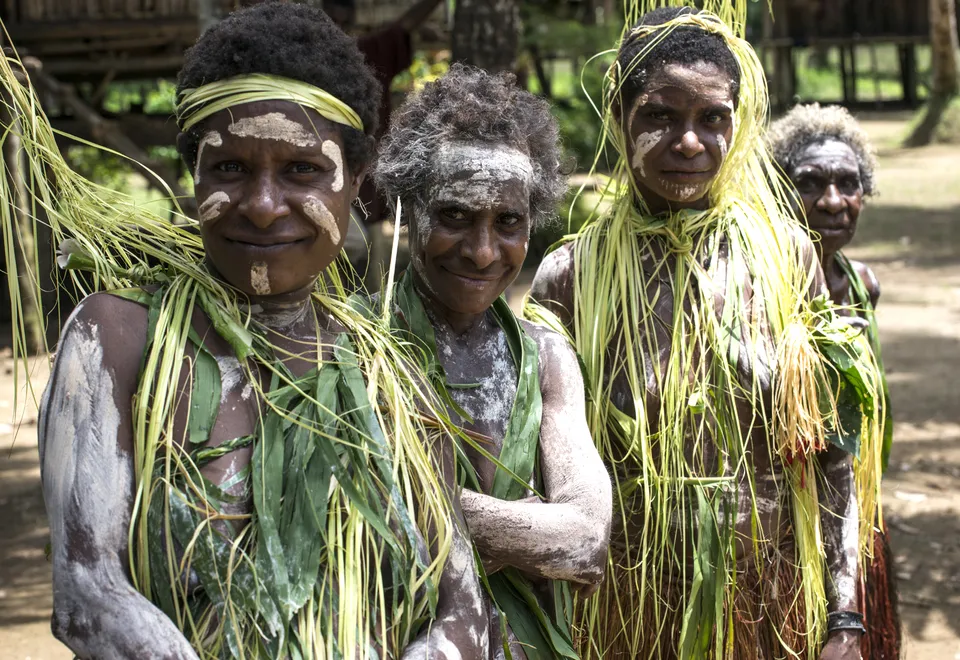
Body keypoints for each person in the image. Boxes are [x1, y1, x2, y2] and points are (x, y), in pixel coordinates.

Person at [19, 3, 487, 658]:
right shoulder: (115, 339)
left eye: (302, 170)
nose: (264, 207)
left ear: (355, 182)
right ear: (194, 173)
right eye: (231, 168)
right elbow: (87, 590)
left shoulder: (390, 368)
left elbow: (462, 610)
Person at [529, 5, 885, 659]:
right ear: (620, 118)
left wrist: (844, 620)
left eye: (712, 119)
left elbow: (833, 454)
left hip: (769, 602)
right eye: (660, 116)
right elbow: (538, 466)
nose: (688, 143)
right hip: (624, 609)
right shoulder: (572, 274)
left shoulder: (785, 259)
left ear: (739, 124)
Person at [374, 64, 613, 659]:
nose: (482, 252)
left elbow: (586, 541)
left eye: (507, 223)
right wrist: (523, 528)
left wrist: (434, 514)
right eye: (454, 217)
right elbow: (348, 517)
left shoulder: (545, 355)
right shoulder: (352, 344)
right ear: (410, 211)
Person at [769, 102, 900, 660]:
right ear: (779, 190)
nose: (832, 201)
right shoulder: (762, 287)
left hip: (855, 504)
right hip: (783, 514)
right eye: (811, 183)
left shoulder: (860, 282)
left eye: (849, 184)